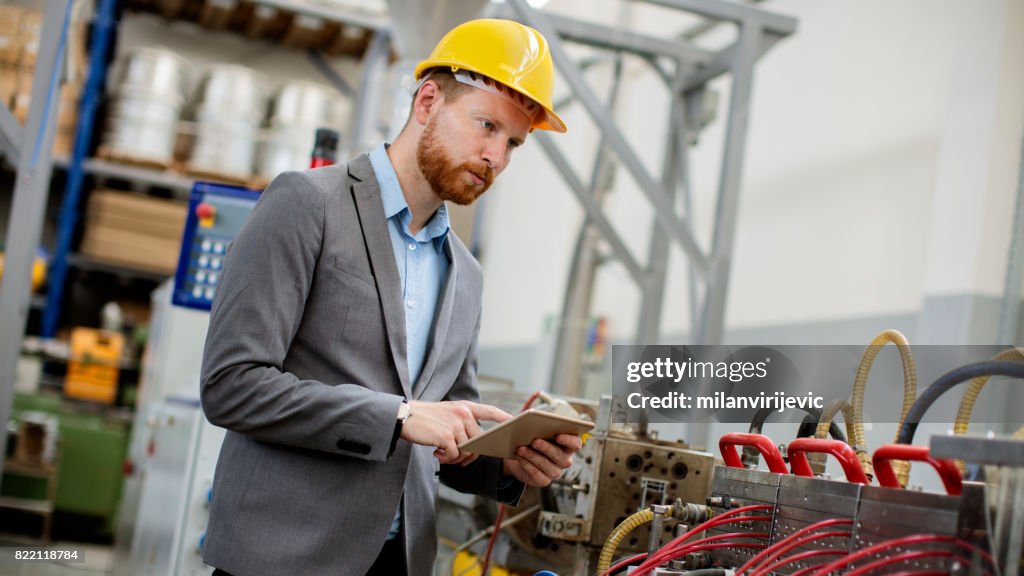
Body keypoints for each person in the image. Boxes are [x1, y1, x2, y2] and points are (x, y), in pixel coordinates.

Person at [199, 18, 579, 576]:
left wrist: (508, 462)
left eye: (513, 143)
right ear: (428, 101)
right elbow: (232, 386)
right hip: (281, 557)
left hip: (397, 562)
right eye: (486, 125)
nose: (496, 156)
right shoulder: (307, 204)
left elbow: (449, 443)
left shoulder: (465, 275)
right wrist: (398, 416)